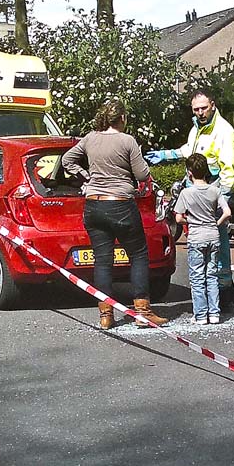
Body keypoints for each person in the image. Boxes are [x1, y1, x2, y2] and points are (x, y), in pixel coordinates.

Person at [62, 99, 168, 329]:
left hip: (94, 205)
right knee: (138, 255)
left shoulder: (90, 138)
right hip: (120, 203)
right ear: (122, 118)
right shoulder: (127, 141)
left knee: (102, 261)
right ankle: (142, 311)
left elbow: (67, 160)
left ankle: (106, 315)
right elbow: (142, 174)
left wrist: (86, 176)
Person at [144, 88, 234, 307]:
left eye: (203, 108)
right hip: (197, 195)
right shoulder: (197, 128)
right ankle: (215, 293)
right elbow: (189, 150)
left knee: (218, 246)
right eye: (196, 109)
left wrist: (221, 198)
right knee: (204, 244)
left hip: (211, 196)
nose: (200, 112)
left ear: (213, 105)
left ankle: (223, 294)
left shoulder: (223, 131)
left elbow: (228, 167)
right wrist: (166, 155)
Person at [174, 153, 231, 325]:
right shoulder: (215, 190)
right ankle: (214, 314)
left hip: (196, 237)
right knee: (212, 275)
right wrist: (216, 222)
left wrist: (190, 221)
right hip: (213, 236)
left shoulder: (186, 193)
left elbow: (178, 218)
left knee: (197, 277)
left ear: (189, 172)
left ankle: (200, 315)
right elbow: (227, 212)